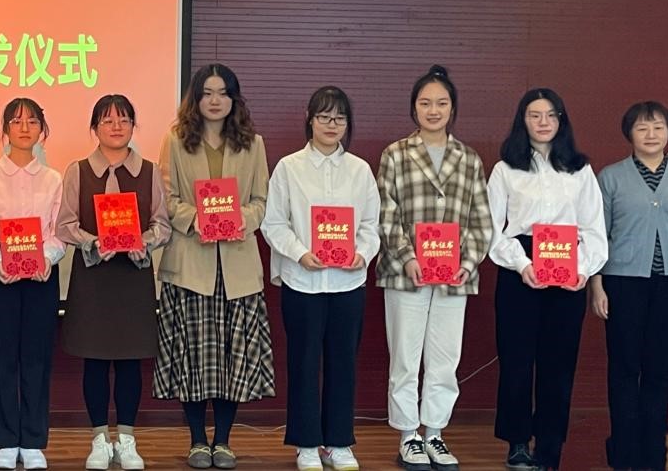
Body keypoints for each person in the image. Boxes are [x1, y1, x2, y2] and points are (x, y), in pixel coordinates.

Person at [155, 64, 274, 471]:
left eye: (223, 93)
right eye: (207, 93)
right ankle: (196, 440)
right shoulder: (175, 140)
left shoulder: (253, 143)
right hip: (191, 262)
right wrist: (198, 220)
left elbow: (261, 200)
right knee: (194, 358)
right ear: (196, 98)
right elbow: (166, 199)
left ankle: (222, 440)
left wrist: (238, 220)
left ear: (233, 99)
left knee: (231, 360)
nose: (215, 100)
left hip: (237, 267)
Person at [376, 64, 492, 471]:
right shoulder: (395, 154)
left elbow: (482, 220)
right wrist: (408, 257)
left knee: (445, 359)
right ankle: (408, 434)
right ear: (414, 108)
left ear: (452, 109)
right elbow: (385, 212)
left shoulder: (469, 158)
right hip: (404, 273)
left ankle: (435, 432)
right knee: (405, 357)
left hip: (454, 278)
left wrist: (468, 262)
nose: (433, 110)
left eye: (441, 103)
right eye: (425, 103)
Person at [590, 101, 668, 471]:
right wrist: (597, 287)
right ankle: (624, 450)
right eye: (642, 127)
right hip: (622, 283)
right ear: (629, 133)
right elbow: (598, 236)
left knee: (659, 368)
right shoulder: (610, 177)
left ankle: (653, 451)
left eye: (658, 127)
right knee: (624, 367)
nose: (651, 134)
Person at [487, 88, 607, 471]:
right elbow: (492, 230)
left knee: (558, 363)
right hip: (519, 268)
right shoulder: (505, 169)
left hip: (568, 267)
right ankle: (518, 441)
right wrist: (522, 264)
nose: (543, 122)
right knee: (517, 360)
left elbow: (594, 228)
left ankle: (550, 444)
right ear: (522, 120)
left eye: (551, 115)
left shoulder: (580, 170)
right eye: (534, 115)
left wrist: (583, 269)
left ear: (561, 120)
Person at [262, 86, 380, 471]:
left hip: (347, 283)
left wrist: (362, 252)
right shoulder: (289, 167)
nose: (332, 125)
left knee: (343, 363)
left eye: (340, 118)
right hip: (302, 281)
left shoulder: (360, 170)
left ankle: (339, 442)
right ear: (310, 120)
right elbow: (274, 223)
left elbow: (371, 225)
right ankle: (307, 443)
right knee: (303, 362)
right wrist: (300, 253)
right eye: (324, 117)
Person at [56, 94, 172, 471]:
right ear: (95, 128)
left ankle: (126, 439)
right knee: (93, 359)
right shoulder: (78, 170)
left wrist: (142, 241)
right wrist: (94, 242)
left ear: (133, 126)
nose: (116, 126)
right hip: (93, 277)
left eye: (124, 120)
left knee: (129, 361)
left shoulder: (150, 171)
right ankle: (98, 440)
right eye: (107, 120)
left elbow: (162, 225)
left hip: (132, 278)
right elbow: (65, 224)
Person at [0, 97, 65, 471]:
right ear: (5, 129)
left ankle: (33, 439)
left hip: (41, 276)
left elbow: (58, 231)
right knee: (1, 359)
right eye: (16, 121)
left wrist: (48, 258)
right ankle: (6, 440)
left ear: (42, 130)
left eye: (32, 121)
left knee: (36, 358)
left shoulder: (54, 179)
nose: (24, 128)